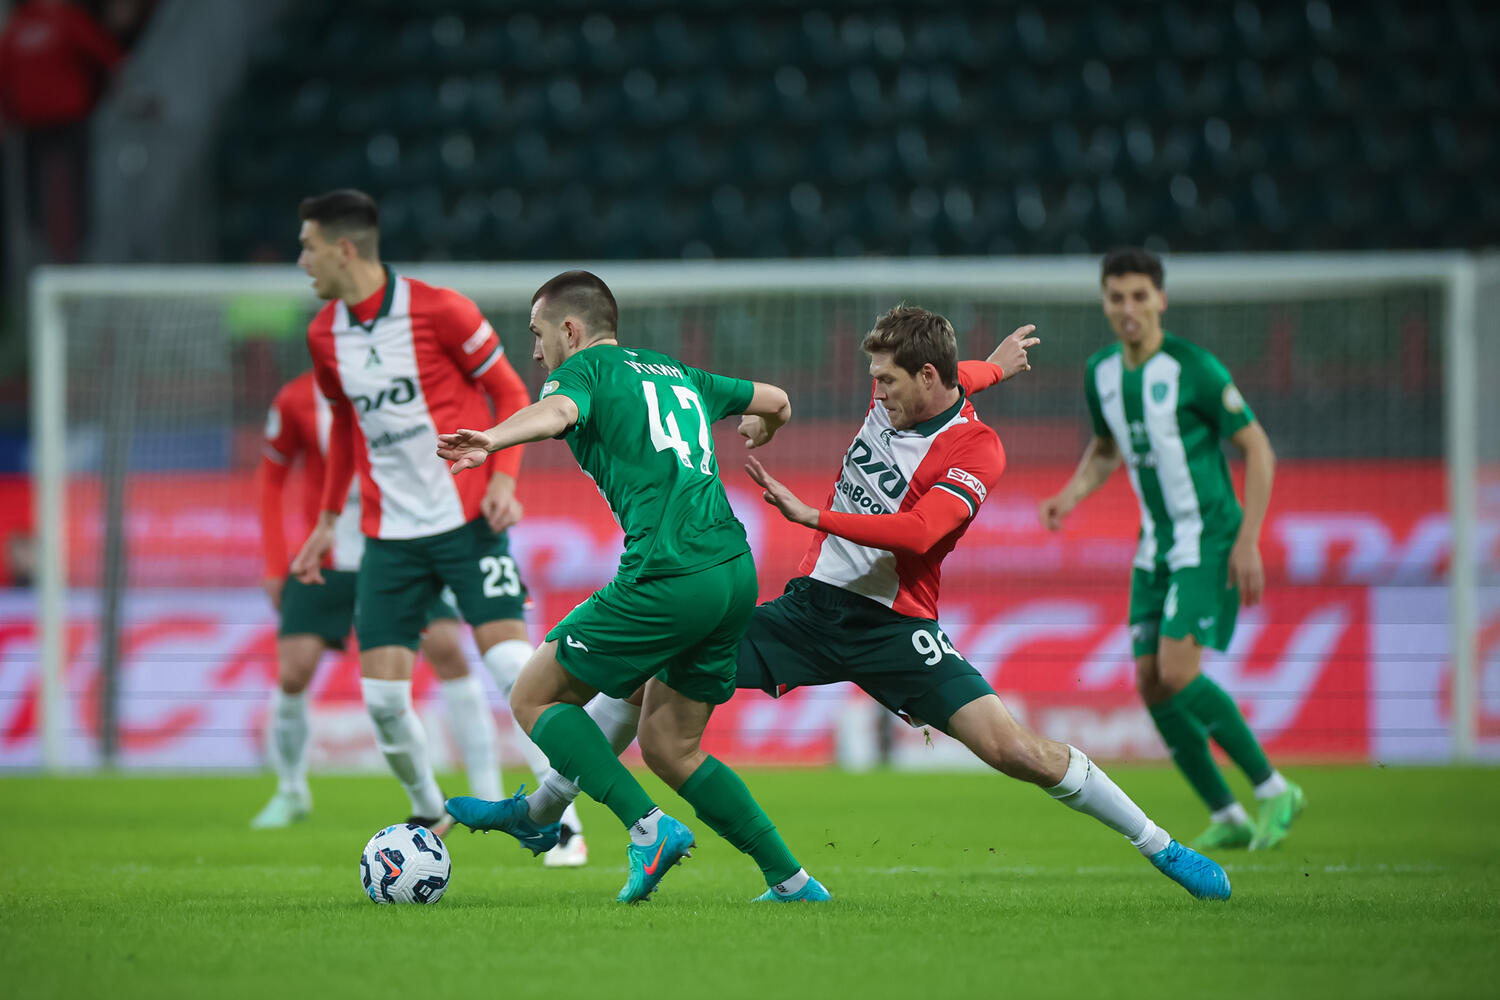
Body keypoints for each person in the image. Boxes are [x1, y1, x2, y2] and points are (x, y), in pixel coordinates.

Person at [498, 304, 1232, 901]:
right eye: (873, 379)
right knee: (646, 673)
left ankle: (1161, 846)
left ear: (927, 378)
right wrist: (994, 365)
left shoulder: (977, 450)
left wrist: (816, 517)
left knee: (1016, 751)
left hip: (895, 628)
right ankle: (552, 808)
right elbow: (960, 376)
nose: (875, 394)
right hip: (808, 611)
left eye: (887, 381)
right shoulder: (899, 400)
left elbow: (922, 532)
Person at [438, 270, 830, 904]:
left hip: (669, 571)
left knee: (534, 696)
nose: (535, 351)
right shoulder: (678, 373)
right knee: (671, 747)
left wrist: (492, 438)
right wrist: (767, 427)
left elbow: (558, 412)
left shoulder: (583, 372)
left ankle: (644, 828)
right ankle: (793, 882)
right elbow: (778, 400)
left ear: (571, 330)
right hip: (734, 571)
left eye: (538, 334)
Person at [287, 190, 591, 862]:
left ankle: (561, 819)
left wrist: (504, 481)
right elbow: (347, 432)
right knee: (383, 701)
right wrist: (328, 520)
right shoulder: (323, 335)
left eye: (308, 247)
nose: (302, 261)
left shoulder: (440, 310)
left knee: (513, 667)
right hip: (388, 538)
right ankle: (428, 814)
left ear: (343, 249)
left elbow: (511, 390)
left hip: (466, 520)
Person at [1038, 246, 1303, 851]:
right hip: (1154, 544)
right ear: (1105, 303)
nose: (1127, 308)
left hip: (1208, 536)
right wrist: (1070, 495)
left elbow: (1258, 448)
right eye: (1116, 297)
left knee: (1179, 671)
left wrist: (1248, 538)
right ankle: (1228, 814)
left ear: (1161, 299)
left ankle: (1274, 788)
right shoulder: (1101, 372)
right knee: (1152, 681)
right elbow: (1107, 448)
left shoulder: (1194, 368)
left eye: (1139, 296)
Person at [250, 369, 502, 829]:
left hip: (398, 548)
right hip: (326, 558)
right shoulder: (295, 399)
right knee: (292, 672)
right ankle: (290, 791)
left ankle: (488, 791)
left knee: (448, 649)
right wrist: (272, 563)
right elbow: (271, 478)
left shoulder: (403, 385)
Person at [0, 0, 123, 261]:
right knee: (38, 198)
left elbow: (107, 56)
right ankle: (49, 251)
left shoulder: (63, 20)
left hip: (66, 125)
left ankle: (69, 254)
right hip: (33, 129)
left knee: (67, 196)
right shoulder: (27, 23)